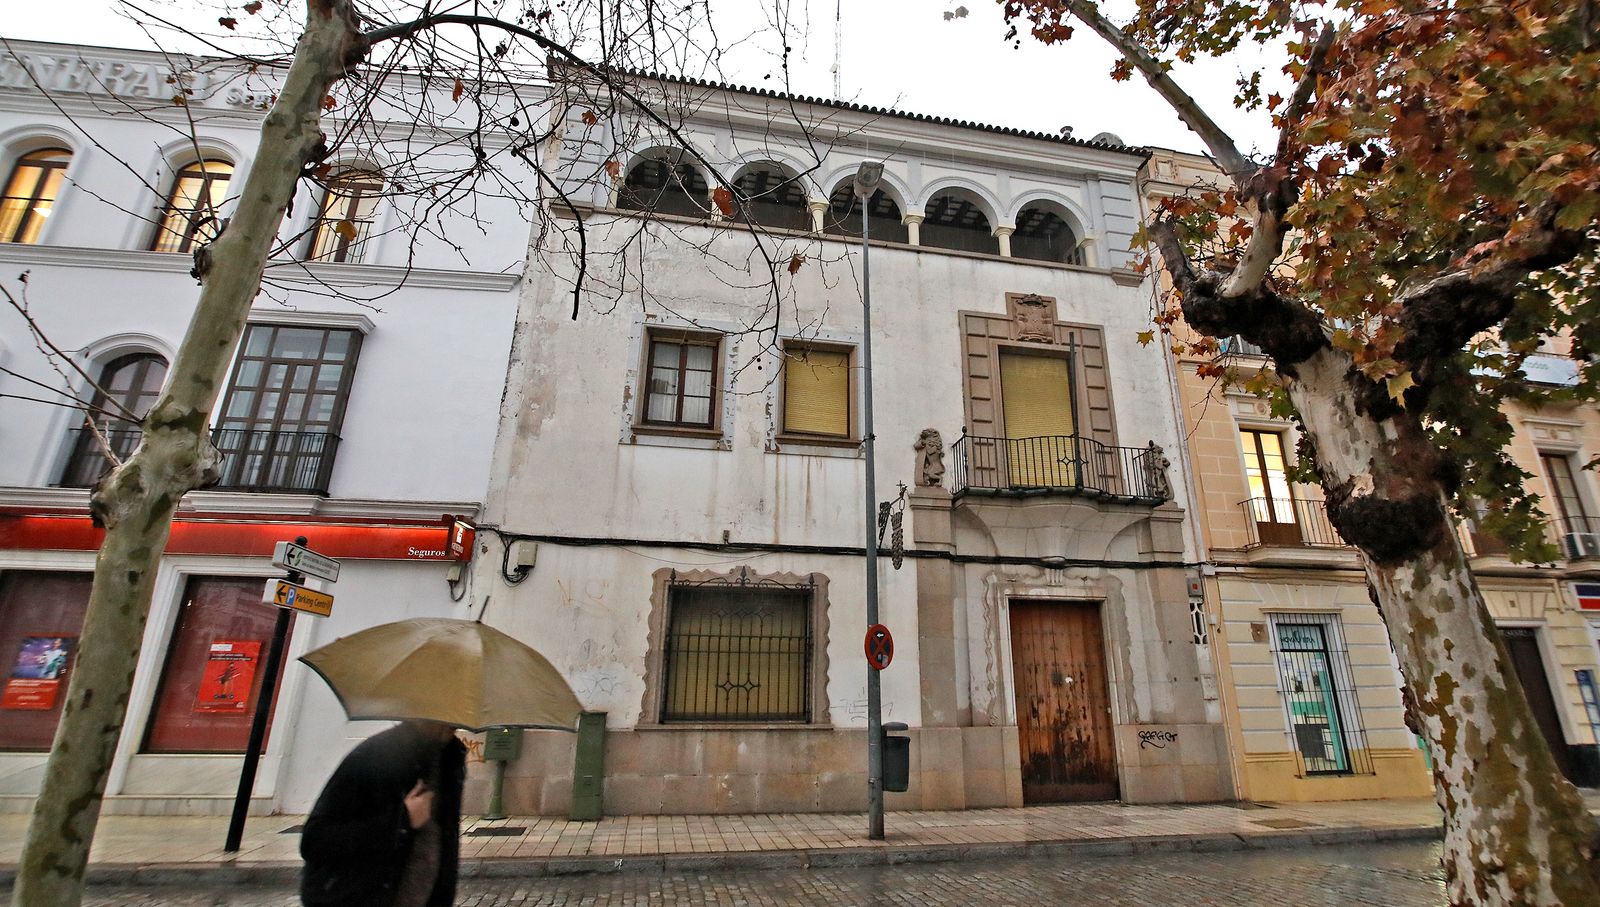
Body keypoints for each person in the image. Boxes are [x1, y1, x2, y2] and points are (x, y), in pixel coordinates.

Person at [301, 719, 467, 907]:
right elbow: (315, 840)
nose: (454, 723)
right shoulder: (374, 755)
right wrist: (403, 819)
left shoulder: (451, 760)